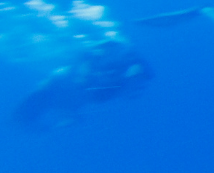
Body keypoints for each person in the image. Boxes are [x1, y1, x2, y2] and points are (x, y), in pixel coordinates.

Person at [13, 37, 153, 130]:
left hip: (72, 87)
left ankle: (25, 119)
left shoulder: (62, 95)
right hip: (68, 85)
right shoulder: (59, 89)